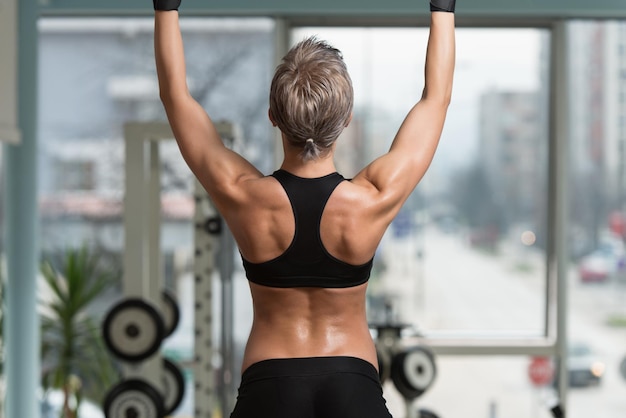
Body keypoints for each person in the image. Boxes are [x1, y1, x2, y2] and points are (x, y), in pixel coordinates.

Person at [153, 0, 455, 416]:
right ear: (347, 119)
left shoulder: (243, 196)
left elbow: (175, 96)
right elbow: (435, 99)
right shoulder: (372, 199)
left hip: (269, 385)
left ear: (273, 116)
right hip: (354, 386)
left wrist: (165, 8)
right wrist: (443, 8)